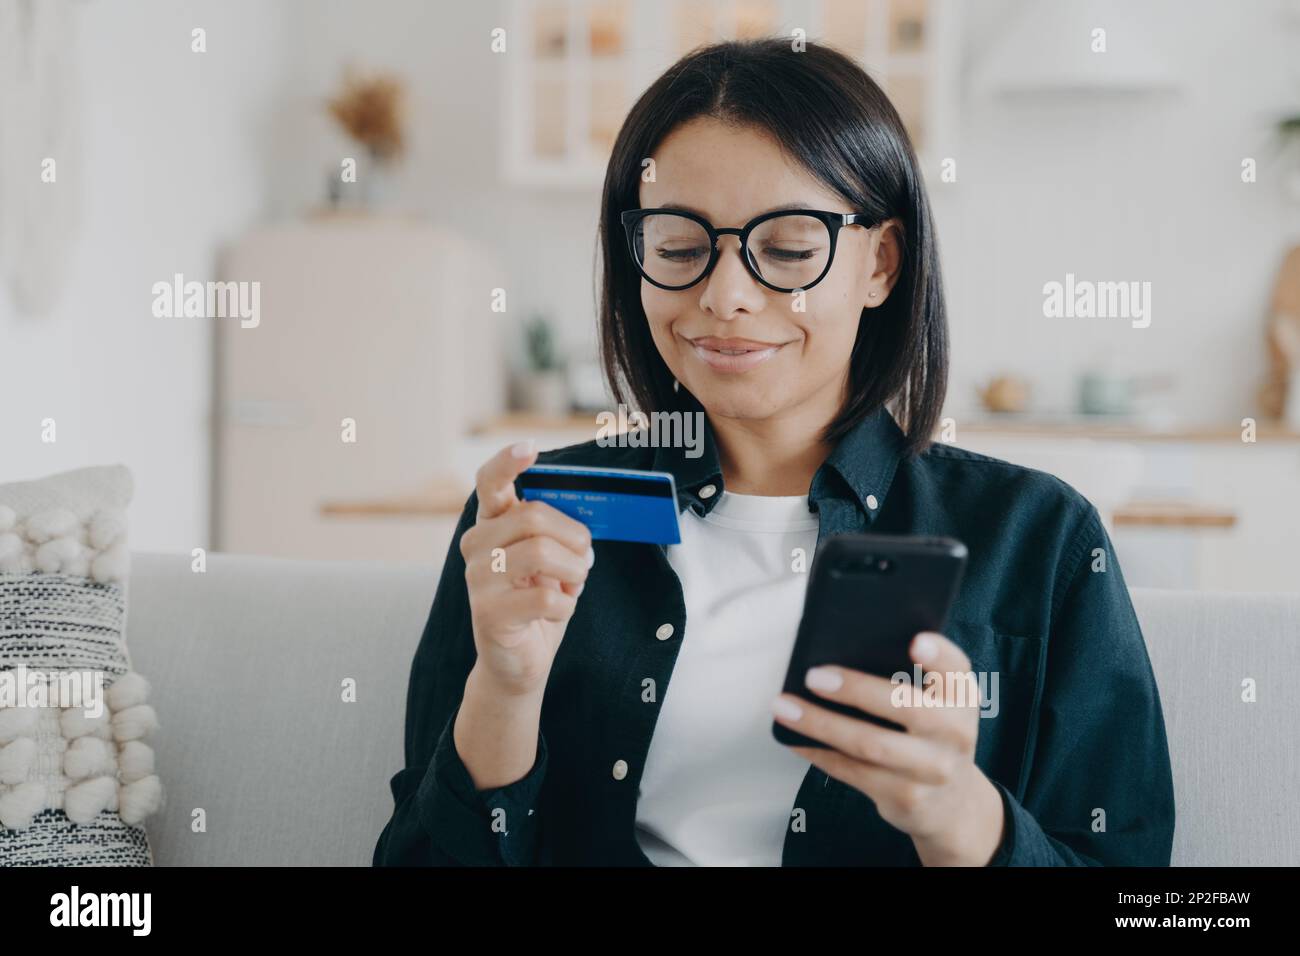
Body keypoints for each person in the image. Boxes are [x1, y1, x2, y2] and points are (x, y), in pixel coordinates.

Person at [373, 38, 1174, 867]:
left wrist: (960, 816)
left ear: (882, 263)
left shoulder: (1037, 541)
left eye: (789, 250)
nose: (725, 296)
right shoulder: (538, 518)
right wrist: (503, 692)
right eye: (680, 248)